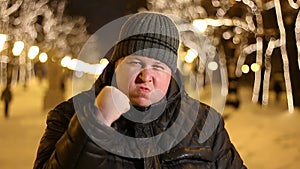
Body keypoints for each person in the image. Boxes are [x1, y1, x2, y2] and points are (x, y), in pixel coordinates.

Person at [33, 12, 247, 169]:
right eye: (135, 62)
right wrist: (94, 124)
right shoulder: (69, 116)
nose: (146, 76)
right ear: (116, 65)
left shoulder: (204, 124)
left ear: (171, 73)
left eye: (158, 66)